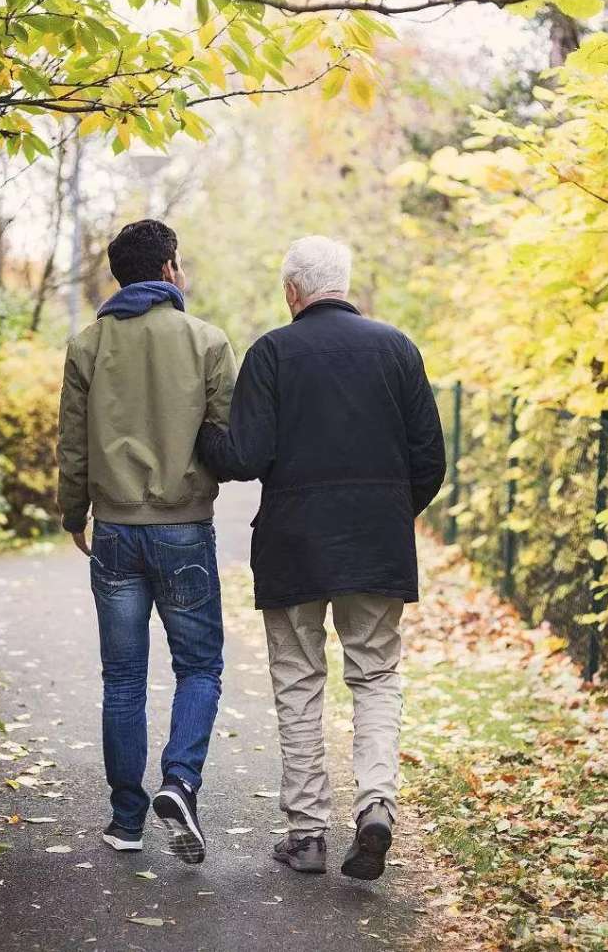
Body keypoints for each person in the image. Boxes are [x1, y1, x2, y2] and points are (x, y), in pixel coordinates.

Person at [198, 235, 445, 880]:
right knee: (376, 677)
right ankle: (375, 807)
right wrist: (388, 513)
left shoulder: (273, 352)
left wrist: (203, 435)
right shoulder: (398, 349)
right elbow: (430, 462)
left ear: (292, 292)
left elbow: (246, 456)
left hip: (292, 543)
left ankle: (307, 834)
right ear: (345, 283)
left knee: (300, 682)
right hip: (377, 542)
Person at [57, 218, 236, 864]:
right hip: (183, 526)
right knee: (200, 666)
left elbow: (72, 442)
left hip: (114, 530)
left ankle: (126, 819)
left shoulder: (86, 345)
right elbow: (224, 438)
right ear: (168, 269)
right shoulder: (207, 341)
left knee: (124, 677)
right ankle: (180, 781)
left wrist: (72, 510)